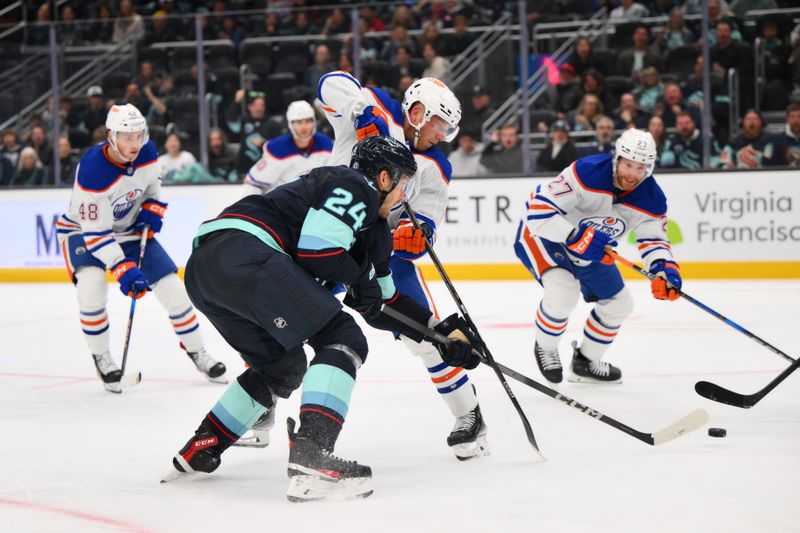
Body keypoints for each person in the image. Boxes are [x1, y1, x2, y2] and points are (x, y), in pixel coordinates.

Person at [161, 136, 479, 501]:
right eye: (404, 183)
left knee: (283, 366)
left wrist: (440, 334)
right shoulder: (354, 185)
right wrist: (362, 278)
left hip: (206, 270)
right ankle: (312, 451)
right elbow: (319, 252)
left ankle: (205, 443)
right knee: (343, 337)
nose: (404, 197)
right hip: (246, 250)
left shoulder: (372, 231)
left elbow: (384, 304)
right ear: (385, 178)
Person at [313, 72, 489, 460]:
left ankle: (468, 414)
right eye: (440, 124)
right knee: (288, 318)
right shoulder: (375, 106)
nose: (442, 135)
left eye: (447, 128)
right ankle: (260, 410)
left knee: (427, 336)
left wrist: (416, 232)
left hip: (380, 253)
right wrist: (360, 113)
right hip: (325, 240)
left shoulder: (437, 166)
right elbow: (329, 83)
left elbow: (423, 221)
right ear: (418, 111)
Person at [55, 104, 228, 393]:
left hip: (130, 230)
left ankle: (198, 351)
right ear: (111, 135)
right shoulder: (93, 170)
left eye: (139, 135)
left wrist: (152, 209)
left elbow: (152, 191)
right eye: (126, 136)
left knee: (175, 291)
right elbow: (96, 235)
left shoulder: (147, 153)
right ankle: (102, 356)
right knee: (92, 287)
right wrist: (124, 270)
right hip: (82, 233)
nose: (134, 144)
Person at [514, 128, 681, 384]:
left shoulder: (652, 198)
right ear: (618, 160)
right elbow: (539, 213)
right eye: (628, 165)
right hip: (545, 236)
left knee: (620, 304)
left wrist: (663, 270)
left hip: (592, 248)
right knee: (564, 293)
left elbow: (654, 240)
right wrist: (575, 237)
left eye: (640, 168)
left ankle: (585, 362)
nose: (633, 174)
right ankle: (546, 347)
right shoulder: (586, 172)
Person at [242, 100, 332, 196]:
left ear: (313, 122)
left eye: (308, 121)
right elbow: (253, 184)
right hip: (279, 205)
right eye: (299, 122)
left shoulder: (325, 144)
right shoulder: (277, 148)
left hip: (311, 205)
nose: (304, 126)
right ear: (291, 124)